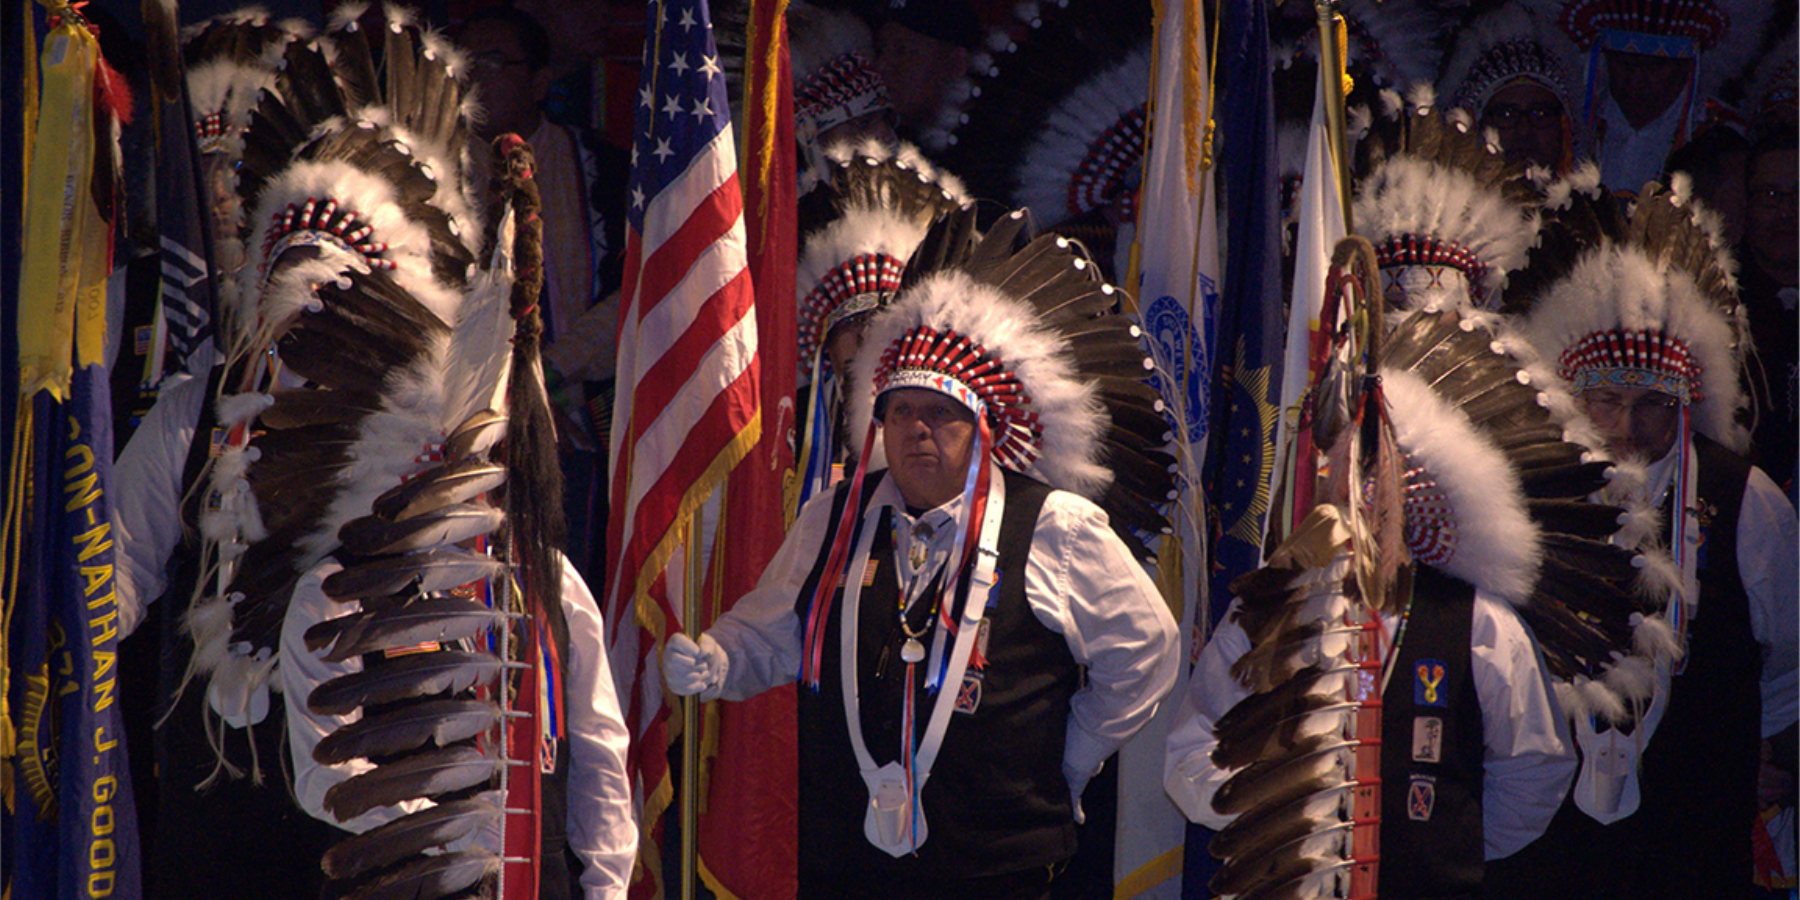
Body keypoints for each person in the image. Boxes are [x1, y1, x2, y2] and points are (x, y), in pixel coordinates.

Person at [663, 208, 1179, 900]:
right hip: (848, 866)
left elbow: (1147, 652)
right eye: (901, 412)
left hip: (997, 868)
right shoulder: (835, 517)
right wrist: (721, 659)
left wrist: (1070, 756)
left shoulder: (1053, 527)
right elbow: (774, 630)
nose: (917, 431)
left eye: (942, 415)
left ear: (984, 431)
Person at [1492, 178, 1799, 899]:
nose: (1627, 429)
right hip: (1552, 849)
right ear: (1570, 395)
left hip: (1693, 836)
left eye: (1653, 406)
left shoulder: (1744, 501)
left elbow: (1790, 660)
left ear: (1687, 403)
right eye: (1605, 400)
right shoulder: (1527, 496)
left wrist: (1760, 749)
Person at [1437, 5, 1584, 173]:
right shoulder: (1432, 199)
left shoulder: (1598, 198)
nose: (1524, 129)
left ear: (1564, 128)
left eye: (1541, 113)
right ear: (1475, 127)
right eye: (1505, 114)